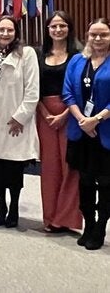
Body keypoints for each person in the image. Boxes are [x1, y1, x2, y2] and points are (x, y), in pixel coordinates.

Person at [0, 16, 39, 228]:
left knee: (13, 169)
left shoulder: (26, 54)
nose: (5, 34)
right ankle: (1, 205)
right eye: (1, 30)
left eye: (9, 30)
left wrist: (21, 117)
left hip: (14, 121)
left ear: (16, 32)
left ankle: (14, 207)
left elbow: (32, 90)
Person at [64, 18, 110, 250]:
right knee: (84, 181)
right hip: (80, 130)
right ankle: (88, 224)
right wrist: (82, 120)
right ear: (87, 35)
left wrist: (96, 119)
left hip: (105, 132)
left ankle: (101, 227)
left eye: (103, 34)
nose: (98, 39)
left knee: (105, 182)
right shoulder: (76, 60)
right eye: (94, 35)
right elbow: (68, 92)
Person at [36, 11, 82, 233]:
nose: (57, 30)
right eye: (53, 26)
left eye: (62, 26)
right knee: (50, 168)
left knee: (70, 167)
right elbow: (33, 89)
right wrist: (44, 113)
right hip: (44, 114)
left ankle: (67, 218)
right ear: (48, 30)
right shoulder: (39, 55)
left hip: (71, 114)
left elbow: (80, 89)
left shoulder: (79, 56)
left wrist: (65, 114)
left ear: (69, 29)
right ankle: (50, 217)